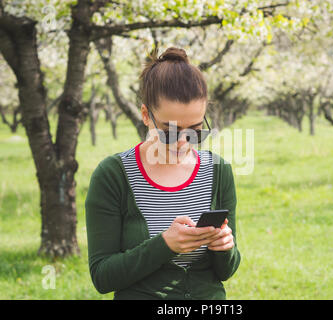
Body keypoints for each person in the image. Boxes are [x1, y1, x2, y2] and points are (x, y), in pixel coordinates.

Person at [85, 47, 240, 300]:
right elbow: (102, 277)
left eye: (196, 130)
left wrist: (224, 247)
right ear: (146, 116)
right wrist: (164, 245)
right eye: (170, 131)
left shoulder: (218, 171)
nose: (184, 142)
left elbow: (225, 272)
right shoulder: (114, 175)